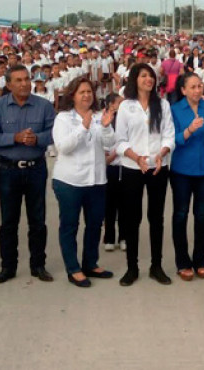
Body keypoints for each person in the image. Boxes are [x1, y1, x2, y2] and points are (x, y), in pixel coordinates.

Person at [0, 65, 56, 284]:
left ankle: (38, 265)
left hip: (36, 169)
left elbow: (54, 133)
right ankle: (8, 266)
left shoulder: (44, 106)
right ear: (8, 84)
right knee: (9, 222)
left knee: (37, 221)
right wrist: (13, 138)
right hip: (8, 170)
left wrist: (38, 139)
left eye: (27, 79)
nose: (24, 83)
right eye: (18, 80)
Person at [114, 63, 175, 286]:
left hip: (158, 166)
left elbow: (169, 135)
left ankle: (156, 266)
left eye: (151, 76)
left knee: (156, 217)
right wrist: (136, 157)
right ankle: (132, 267)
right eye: (143, 76)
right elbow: (120, 140)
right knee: (132, 218)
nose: (148, 79)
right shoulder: (126, 106)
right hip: (133, 168)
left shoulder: (163, 105)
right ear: (134, 79)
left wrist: (162, 153)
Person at [51, 77, 116, 287]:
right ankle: (73, 268)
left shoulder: (98, 116)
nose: (87, 95)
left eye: (89, 91)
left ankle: (90, 263)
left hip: (96, 180)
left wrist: (105, 127)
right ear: (73, 96)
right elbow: (63, 147)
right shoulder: (63, 118)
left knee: (95, 224)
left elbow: (110, 143)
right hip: (70, 181)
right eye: (82, 92)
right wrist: (83, 128)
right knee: (70, 225)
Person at [169, 72, 204, 281]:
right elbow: (172, 139)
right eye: (192, 87)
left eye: (199, 86)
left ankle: (200, 259)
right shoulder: (174, 110)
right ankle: (182, 261)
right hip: (182, 170)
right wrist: (189, 130)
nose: (197, 90)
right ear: (183, 90)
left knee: (201, 215)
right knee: (180, 214)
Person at [102, 93, 124, 251]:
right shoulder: (103, 120)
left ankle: (124, 236)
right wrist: (114, 154)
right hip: (110, 167)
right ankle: (109, 237)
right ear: (111, 105)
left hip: (125, 167)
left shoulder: (125, 120)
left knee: (124, 205)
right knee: (109, 204)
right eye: (119, 103)